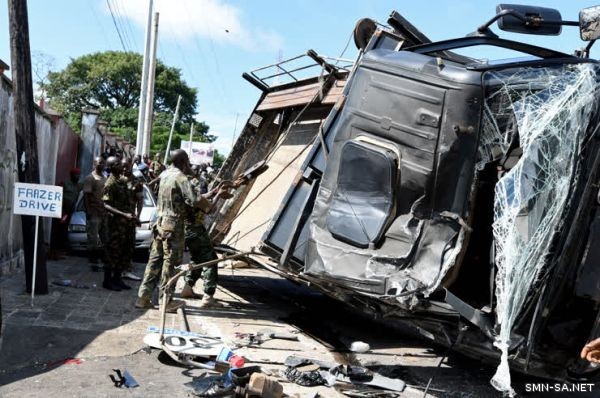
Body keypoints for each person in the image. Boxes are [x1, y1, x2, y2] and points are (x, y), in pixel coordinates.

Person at [135, 149, 213, 311]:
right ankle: (166, 301)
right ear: (184, 161)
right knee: (171, 265)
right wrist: (209, 206)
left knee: (154, 262)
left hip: (159, 224)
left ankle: (143, 297)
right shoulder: (181, 178)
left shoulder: (164, 174)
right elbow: (195, 199)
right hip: (173, 228)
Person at [180, 167, 233, 307]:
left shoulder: (183, 187)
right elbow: (209, 209)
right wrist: (218, 196)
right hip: (195, 230)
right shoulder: (190, 189)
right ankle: (208, 297)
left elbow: (201, 198)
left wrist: (214, 191)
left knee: (198, 259)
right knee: (211, 260)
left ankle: (187, 288)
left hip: (187, 230)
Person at [102, 156, 139, 291]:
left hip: (127, 224)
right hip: (115, 224)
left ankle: (117, 279)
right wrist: (123, 214)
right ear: (111, 167)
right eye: (117, 164)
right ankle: (107, 281)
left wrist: (134, 217)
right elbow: (105, 204)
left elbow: (128, 202)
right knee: (113, 252)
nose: (121, 166)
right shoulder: (110, 183)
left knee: (124, 252)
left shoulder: (122, 181)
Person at [120, 158, 143, 281]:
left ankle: (126, 269)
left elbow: (140, 201)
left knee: (129, 245)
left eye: (126, 166)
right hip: (116, 218)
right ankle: (116, 269)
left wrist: (138, 215)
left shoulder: (136, 182)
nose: (124, 169)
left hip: (129, 219)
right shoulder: (116, 179)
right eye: (122, 166)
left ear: (131, 166)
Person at [82, 157, 107, 271]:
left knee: (104, 238)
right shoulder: (90, 178)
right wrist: (88, 211)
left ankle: (102, 260)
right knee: (93, 239)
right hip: (94, 212)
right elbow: (86, 196)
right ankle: (93, 263)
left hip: (103, 213)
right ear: (95, 164)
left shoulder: (104, 178)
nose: (102, 164)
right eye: (99, 162)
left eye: (103, 163)